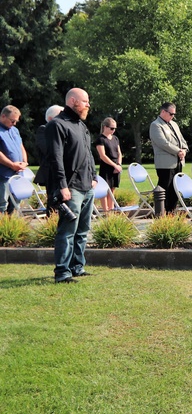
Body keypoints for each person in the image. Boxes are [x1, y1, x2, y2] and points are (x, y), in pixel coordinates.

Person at [46, 89, 96, 283]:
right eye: (85, 101)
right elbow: (55, 159)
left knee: (83, 230)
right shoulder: (57, 125)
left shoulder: (81, 126)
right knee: (67, 231)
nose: (88, 105)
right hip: (71, 187)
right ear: (73, 101)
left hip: (87, 186)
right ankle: (62, 273)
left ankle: (77, 267)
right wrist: (62, 186)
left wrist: (93, 176)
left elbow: (88, 154)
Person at [150, 102, 188, 214]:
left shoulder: (174, 124)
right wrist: (178, 151)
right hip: (165, 164)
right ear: (163, 111)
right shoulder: (156, 125)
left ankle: (171, 212)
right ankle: (162, 214)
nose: (173, 116)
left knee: (175, 189)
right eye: (171, 114)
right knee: (165, 189)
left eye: (174, 114)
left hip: (178, 162)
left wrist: (184, 150)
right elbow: (163, 143)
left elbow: (182, 140)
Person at [0, 105, 29, 214]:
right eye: (12, 121)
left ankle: (10, 228)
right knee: (2, 204)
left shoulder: (15, 130)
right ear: (3, 116)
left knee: (15, 204)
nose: (14, 124)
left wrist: (24, 162)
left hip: (17, 174)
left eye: (16, 121)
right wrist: (12, 165)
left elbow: (21, 146)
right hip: (3, 175)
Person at [95, 117, 123, 212]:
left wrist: (118, 164)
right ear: (105, 127)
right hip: (106, 167)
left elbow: (119, 153)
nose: (113, 130)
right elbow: (103, 155)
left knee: (112, 189)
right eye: (111, 128)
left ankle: (111, 209)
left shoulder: (115, 138)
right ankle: (106, 210)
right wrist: (114, 166)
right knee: (104, 189)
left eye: (115, 128)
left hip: (116, 166)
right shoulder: (100, 139)